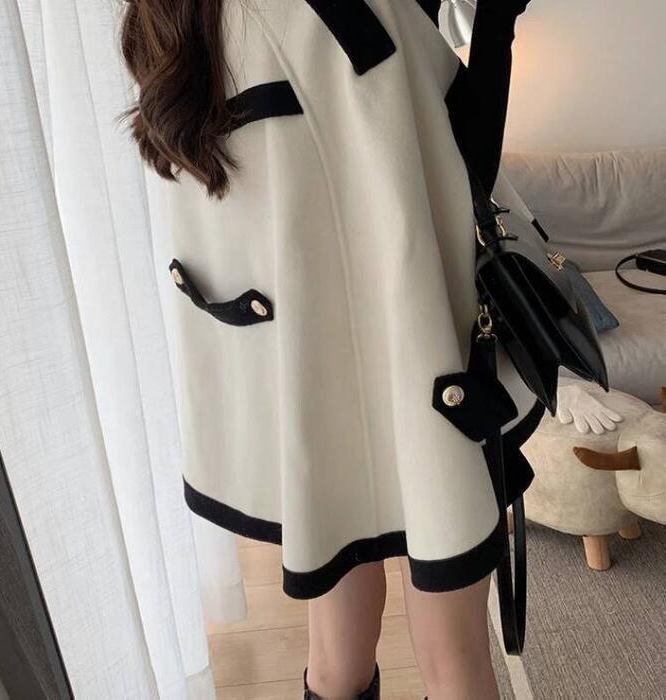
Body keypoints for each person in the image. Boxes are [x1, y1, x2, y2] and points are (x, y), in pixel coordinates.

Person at [121, 1, 537, 697]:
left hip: (306, 380)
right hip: (415, 359)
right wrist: (498, 19)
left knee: (336, 653)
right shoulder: (348, 12)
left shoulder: (168, 18)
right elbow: (463, 153)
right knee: (453, 655)